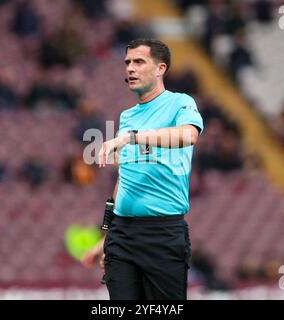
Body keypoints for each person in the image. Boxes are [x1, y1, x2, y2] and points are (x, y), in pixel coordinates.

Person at [81, 39, 203, 300]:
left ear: (160, 69)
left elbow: (189, 135)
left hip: (162, 234)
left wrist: (131, 137)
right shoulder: (127, 116)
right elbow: (124, 179)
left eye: (139, 62)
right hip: (122, 236)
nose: (130, 69)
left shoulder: (180, 103)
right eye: (127, 62)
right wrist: (106, 236)